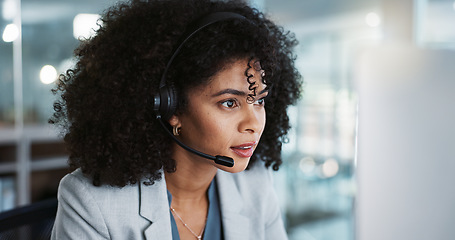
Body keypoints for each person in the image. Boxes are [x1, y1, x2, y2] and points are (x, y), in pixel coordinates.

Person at [49, 0, 302, 239]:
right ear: (171, 107)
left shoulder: (255, 184)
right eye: (229, 103)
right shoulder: (91, 202)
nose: (254, 124)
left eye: (258, 101)